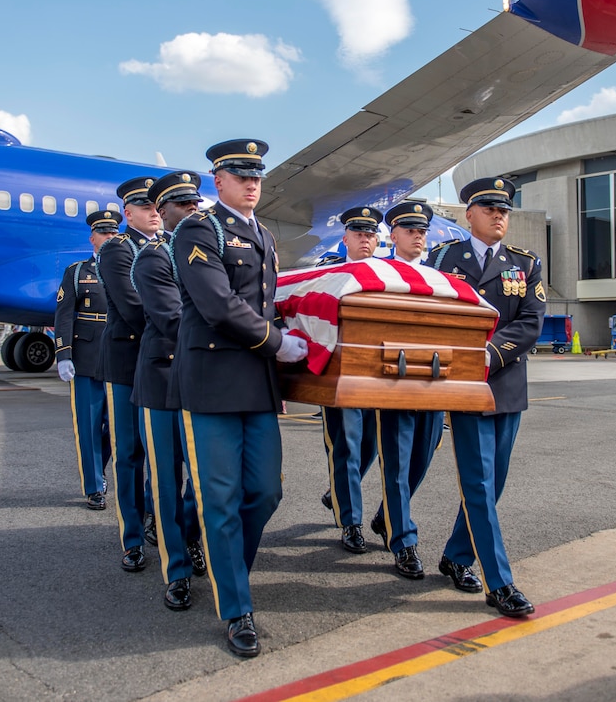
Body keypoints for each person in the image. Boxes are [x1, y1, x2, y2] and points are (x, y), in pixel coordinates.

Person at [171, 139, 307, 657]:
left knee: (265, 492)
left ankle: (214, 558)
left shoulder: (264, 236)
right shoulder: (198, 229)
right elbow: (217, 304)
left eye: (257, 175)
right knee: (222, 496)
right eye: (240, 174)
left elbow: (267, 303)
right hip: (213, 380)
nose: (252, 183)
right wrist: (276, 342)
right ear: (218, 180)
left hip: (257, 382)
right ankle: (236, 606)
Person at [424, 177, 544, 618]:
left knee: (493, 484)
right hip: (464, 385)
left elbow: (531, 322)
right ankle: (500, 582)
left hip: (506, 383)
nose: (499, 216)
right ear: (468, 214)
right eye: (490, 208)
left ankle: (456, 556)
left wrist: (490, 355)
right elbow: (431, 314)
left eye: (505, 210)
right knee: (477, 480)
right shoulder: (443, 259)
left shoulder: (525, 263)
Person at [130, 171, 206, 611]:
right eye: (181, 204)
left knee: (199, 480)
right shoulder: (153, 259)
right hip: (162, 380)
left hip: (197, 378)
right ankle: (176, 570)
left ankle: (192, 537)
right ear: (161, 212)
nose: (192, 210)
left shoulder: (204, 251)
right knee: (165, 480)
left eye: (194, 203)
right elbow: (174, 320)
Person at [365, 200, 446, 578]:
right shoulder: (377, 272)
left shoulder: (440, 276)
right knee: (396, 464)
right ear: (393, 235)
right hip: (393, 379)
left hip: (433, 380)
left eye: (422, 230)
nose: (418, 235)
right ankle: (404, 542)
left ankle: (386, 516)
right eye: (410, 229)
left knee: (422, 460)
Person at [97, 176, 161, 572]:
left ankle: (156, 519)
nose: (154, 211)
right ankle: (132, 536)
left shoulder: (169, 246)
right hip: (127, 363)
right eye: (145, 205)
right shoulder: (118, 250)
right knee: (129, 453)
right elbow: (134, 306)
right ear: (128, 212)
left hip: (158, 360)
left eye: (157, 205)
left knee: (163, 453)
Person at [316, 207, 383, 554]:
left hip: (377, 374)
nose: (364, 239)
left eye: (370, 234)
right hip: (339, 374)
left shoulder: (388, 274)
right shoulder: (327, 270)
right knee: (347, 446)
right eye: (358, 233)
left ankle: (338, 492)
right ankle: (351, 523)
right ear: (345, 239)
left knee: (370, 444)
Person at [54, 210, 118, 511]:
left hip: (121, 355)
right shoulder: (78, 272)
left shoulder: (129, 268)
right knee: (90, 424)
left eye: (113, 232)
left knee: (116, 426)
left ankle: (99, 469)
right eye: (103, 232)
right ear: (93, 238)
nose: (109, 237)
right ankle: (94, 486)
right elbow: (64, 314)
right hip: (87, 357)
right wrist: (63, 354)